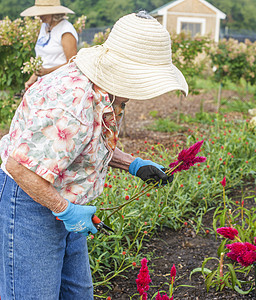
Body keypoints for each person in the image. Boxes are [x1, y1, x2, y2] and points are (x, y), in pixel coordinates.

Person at [0, 11, 188, 299]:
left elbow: (85, 141)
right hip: (30, 199)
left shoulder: (108, 93)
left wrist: (133, 164)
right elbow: (19, 167)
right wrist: (65, 210)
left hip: (66, 198)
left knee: (77, 293)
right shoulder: (71, 104)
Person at [21, 0, 78, 90]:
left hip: (61, 85)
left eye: (43, 13)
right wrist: (32, 79)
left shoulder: (66, 30)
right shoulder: (45, 26)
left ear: (54, 14)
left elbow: (72, 62)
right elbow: (44, 59)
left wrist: (47, 71)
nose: (39, 16)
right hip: (44, 83)